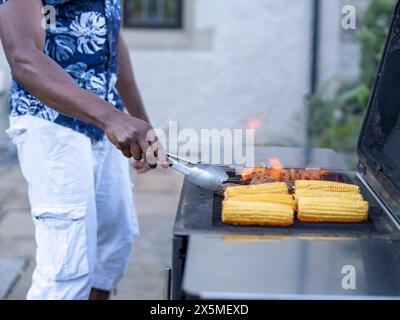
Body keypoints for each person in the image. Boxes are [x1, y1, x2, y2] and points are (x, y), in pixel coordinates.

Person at [0, 0, 166, 300]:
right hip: (52, 124)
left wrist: (141, 122)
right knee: (67, 268)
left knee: (111, 248)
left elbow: (111, 38)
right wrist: (112, 118)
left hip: (103, 122)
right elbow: (23, 55)